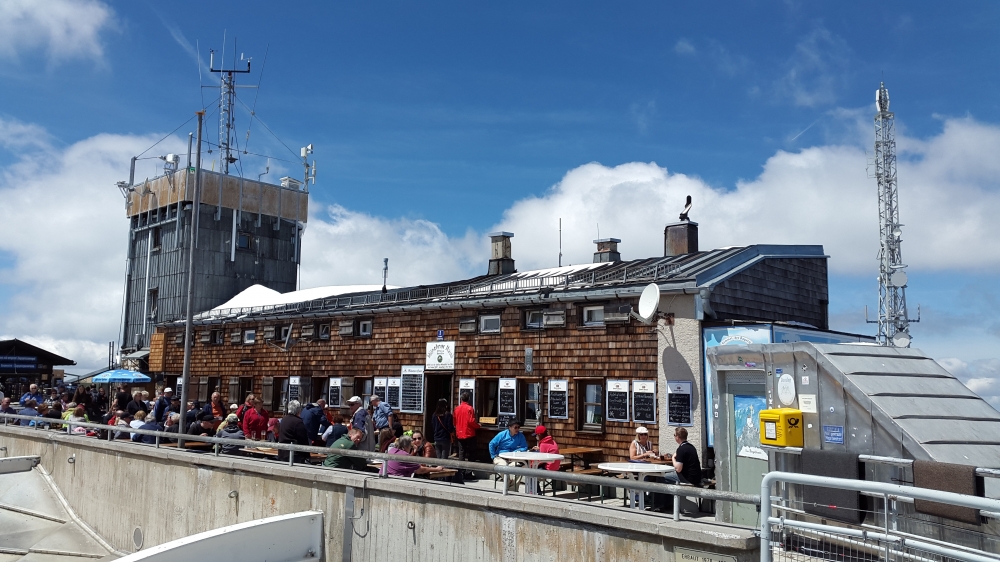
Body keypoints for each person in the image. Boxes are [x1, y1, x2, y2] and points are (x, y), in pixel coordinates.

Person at [489, 421, 528, 488]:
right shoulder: (502, 434)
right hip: (501, 457)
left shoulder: (521, 436)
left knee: (520, 469)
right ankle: (508, 484)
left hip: (514, 458)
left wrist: (516, 451)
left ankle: (512, 489)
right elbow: (491, 444)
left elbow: (524, 447)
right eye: (515, 427)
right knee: (503, 467)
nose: (517, 429)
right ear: (509, 427)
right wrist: (493, 456)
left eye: (518, 427)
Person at [454, 391, 480, 465]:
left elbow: (454, 422)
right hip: (469, 433)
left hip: (459, 433)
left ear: (461, 399)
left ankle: (461, 470)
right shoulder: (469, 408)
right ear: (468, 399)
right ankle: (469, 470)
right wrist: (478, 425)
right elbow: (471, 421)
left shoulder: (456, 409)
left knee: (461, 452)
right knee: (472, 452)